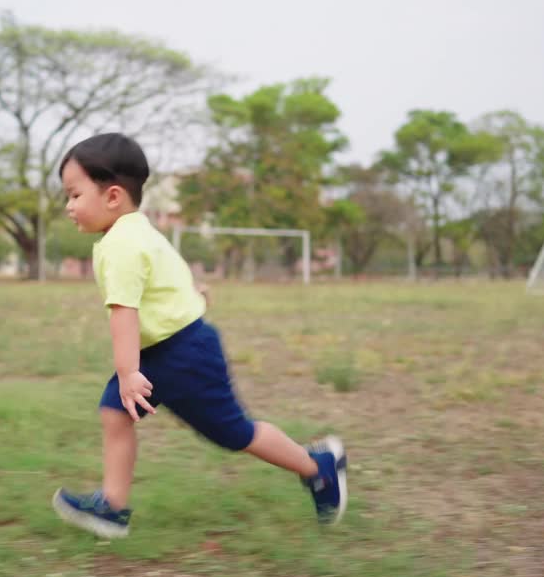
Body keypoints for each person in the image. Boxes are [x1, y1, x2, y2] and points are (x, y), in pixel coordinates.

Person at [51, 132, 347, 539]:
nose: (68, 206)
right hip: (166, 350)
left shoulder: (121, 243)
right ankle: (112, 508)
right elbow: (165, 271)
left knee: (234, 433)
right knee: (114, 413)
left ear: (113, 196)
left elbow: (124, 313)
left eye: (74, 194)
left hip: (183, 355)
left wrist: (127, 373)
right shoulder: (137, 230)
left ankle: (319, 469)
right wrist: (192, 292)